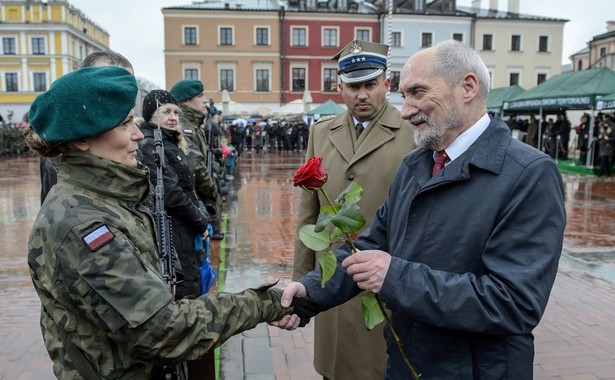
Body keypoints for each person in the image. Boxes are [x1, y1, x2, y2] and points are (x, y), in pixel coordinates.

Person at [280, 40, 566, 379]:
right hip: (408, 362)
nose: (405, 110)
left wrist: (395, 276)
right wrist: (310, 290)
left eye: (418, 92)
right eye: (404, 96)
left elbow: (513, 303)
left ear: (468, 87)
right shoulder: (418, 163)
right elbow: (372, 246)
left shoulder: (528, 174)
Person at [25, 66, 294, 379]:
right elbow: (163, 331)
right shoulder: (81, 222)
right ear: (83, 140)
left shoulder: (104, 198)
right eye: (125, 124)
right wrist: (267, 302)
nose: (139, 133)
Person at [292, 39, 416, 380]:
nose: (362, 95)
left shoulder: (413, 133)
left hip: (384, 285)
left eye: (370, 85)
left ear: (386, 85)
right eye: (353, 86)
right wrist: (302, 286)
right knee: (335, 371)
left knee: (379, 369)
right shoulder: (320, 132)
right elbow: (309, 215)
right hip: (330, 283)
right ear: (339, 87)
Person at [39, 49, 134, 204]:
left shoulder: (131, 134)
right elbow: (61, 207)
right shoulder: (64, 140)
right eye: (109, 82)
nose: (120, 91)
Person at [170, 79, 225, 240]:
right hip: (194, 200)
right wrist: (213, 189)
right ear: (186, 101)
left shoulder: (194, 124)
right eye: (200, 96)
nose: (205, 100)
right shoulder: (185, 126)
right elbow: (195, 166)